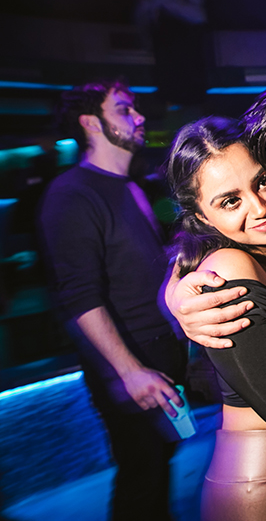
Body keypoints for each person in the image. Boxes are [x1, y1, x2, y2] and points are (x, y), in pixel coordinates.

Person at [164, 116, 266, 520]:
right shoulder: (227, 268)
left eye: (263, 182)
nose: (260, 207)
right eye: (230, 201)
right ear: (202, 217)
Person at [37, 80, 186, 520]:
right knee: (143, 478)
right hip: (130, 361)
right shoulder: (72, 193)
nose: (139, 117)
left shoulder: (130, 186)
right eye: (124, 109)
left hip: (160, 352)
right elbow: (78, 296)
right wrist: (129, 371)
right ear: (90, 123)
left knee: (158, 467)